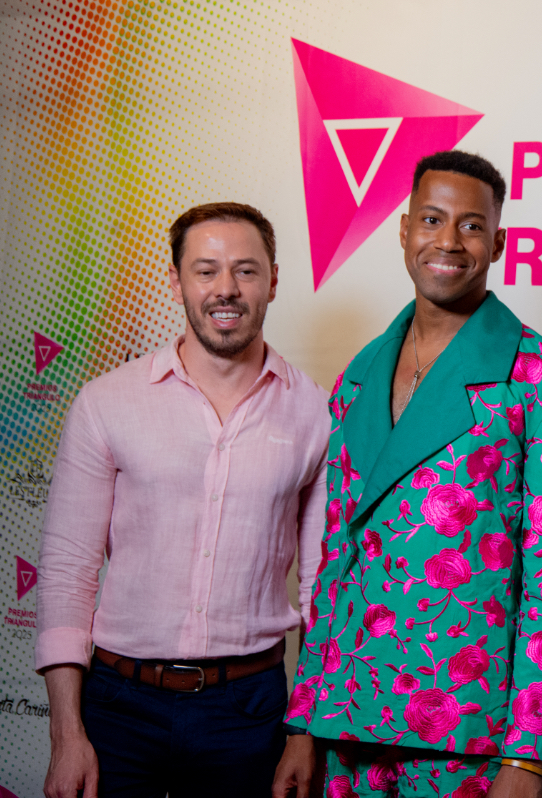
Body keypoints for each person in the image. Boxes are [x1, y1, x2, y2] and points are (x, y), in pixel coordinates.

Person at [274, 151, 542, 798]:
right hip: (348, 722)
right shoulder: (360, 375)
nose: (448, 241)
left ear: (498, 243)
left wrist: (528, 758)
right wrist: (303, 724)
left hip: (469, 736)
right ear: (404, 231)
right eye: (431, 219)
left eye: (471, 226)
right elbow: (335, 557)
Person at [36, 203, 330, 798]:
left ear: (274, 280)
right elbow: (68, 572)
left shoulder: (317, 412)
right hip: (117, 707)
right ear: (176, 282)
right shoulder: (106, 403)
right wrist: (66, 733)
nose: (226, 289)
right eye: (206, 270)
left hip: (250, 711)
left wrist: (305, 731)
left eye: (246, 270)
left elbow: (320, 587)